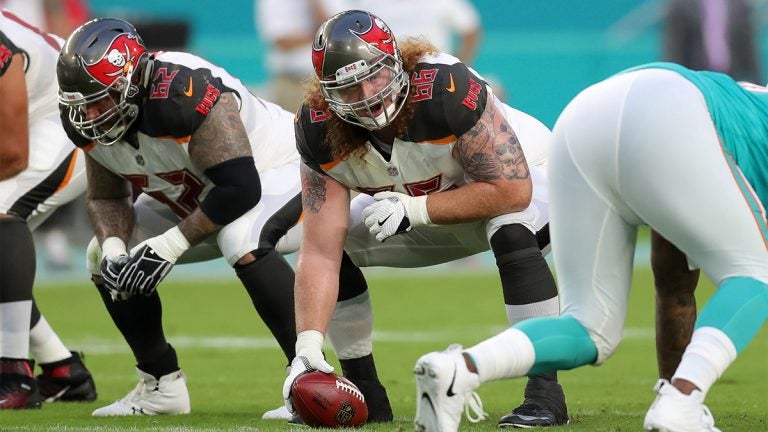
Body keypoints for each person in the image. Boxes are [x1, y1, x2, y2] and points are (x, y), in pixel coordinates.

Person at [414, 61, 768, 432]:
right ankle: (682, 401)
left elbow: (674, 276)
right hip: (673, 111)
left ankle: (459, 369)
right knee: (756, 273)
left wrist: (673, 385)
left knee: (590, 329)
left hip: (588, 115)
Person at [281, 10, 569, 428]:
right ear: (327, 93)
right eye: (348, 86)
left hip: (526, 184)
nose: (367, 94)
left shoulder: (446, 89)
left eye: (375, 76)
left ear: (397, 64)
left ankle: (545, 394)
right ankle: (367, 395)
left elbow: (512, 190)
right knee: (336, 244)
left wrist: (415, 209)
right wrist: (306, 349)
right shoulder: (316, 126)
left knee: (509, 227)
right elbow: (321, 248)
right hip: (424, 209)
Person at [55, 17, 304, 416]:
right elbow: (106, 196)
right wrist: (117, 249)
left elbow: (240, 188)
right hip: (199, 190)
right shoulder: (83, 115)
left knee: (240, 237)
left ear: (133, 81)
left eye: (102, 97)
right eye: (82, 102)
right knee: (101, 257)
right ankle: (160, 385)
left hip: (277, 169)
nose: (92, 113)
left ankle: (307, 376)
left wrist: (168, 247)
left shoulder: (183, 93)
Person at [0, 9, 96, 409]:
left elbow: (12, 156)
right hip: (30, 121)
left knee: (0, 209)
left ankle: (12, 374)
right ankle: (63, 371)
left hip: (63, 117)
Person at [255, 0, 348, 112]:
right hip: (293, 84)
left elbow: (343, 33)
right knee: (292, 128)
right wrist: (322, 34)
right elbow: (282, 41)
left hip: (331, 82)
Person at [350, 0, 481, 65]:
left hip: (434, 74)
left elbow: (470, 29)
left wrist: (458, 65)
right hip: (386, 77)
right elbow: (352, 31)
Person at [664, 0, 762, 84]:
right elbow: (675, 49)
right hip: (695, 79)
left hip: (731, 79)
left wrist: (757, 83)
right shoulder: (681, 5)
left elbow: (748, 49)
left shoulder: (738, 4)